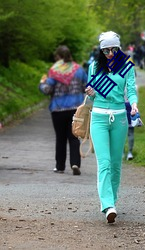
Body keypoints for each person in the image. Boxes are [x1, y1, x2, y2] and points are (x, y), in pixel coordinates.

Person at [85, 31, 138, 223]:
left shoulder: (126, 66)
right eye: (105, 50)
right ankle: (107, 205)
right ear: (101, 50)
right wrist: (90, 92)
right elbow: (91, 97)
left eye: (113, 49)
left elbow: (131, 90)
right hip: (98, 117)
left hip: (120, 118)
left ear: (118, 48)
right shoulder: (94, 67)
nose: (109, 53)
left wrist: (133, 104)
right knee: (104, 163)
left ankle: (113, 201)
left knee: (116, 164)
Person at [39, 45, 87, 175]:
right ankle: (75, 163)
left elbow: (47, 90)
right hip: (75, 109)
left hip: (58, 109)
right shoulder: (79, 70)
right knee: (74, 136)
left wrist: (42, 83)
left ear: (58, 57)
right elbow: (86, 87)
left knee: (60, 138)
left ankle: (60, 167)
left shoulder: (54, 71)